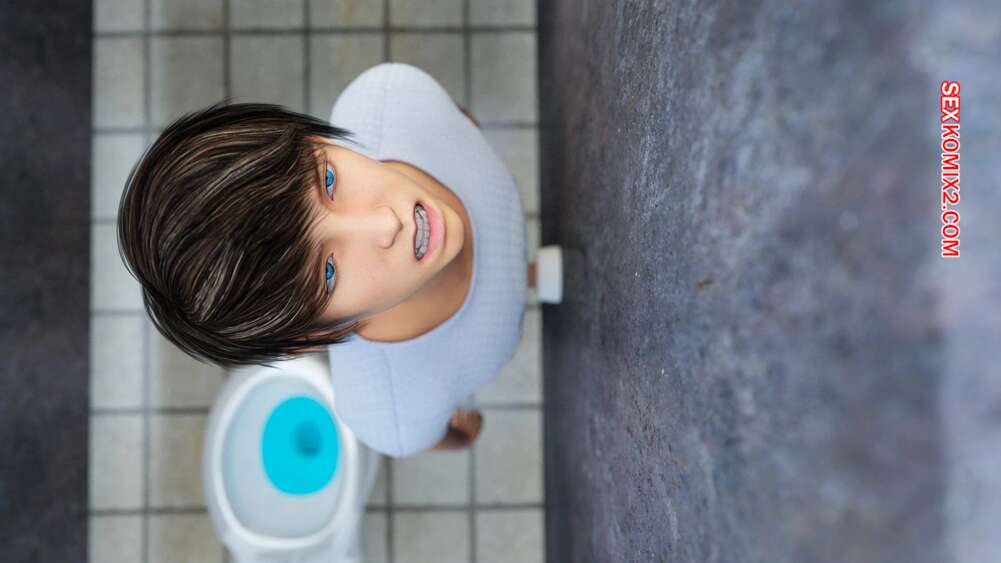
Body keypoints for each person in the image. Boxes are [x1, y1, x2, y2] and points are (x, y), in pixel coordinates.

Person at [118, 63, 552, 457]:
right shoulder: (392, 415)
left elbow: (454, 118)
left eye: (327, 180)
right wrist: (460, 434)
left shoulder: (391, 96)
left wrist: (465, 433)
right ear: (312, 333)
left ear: (313, 137)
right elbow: (440, 437)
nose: (389, 223)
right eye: (328, 273)